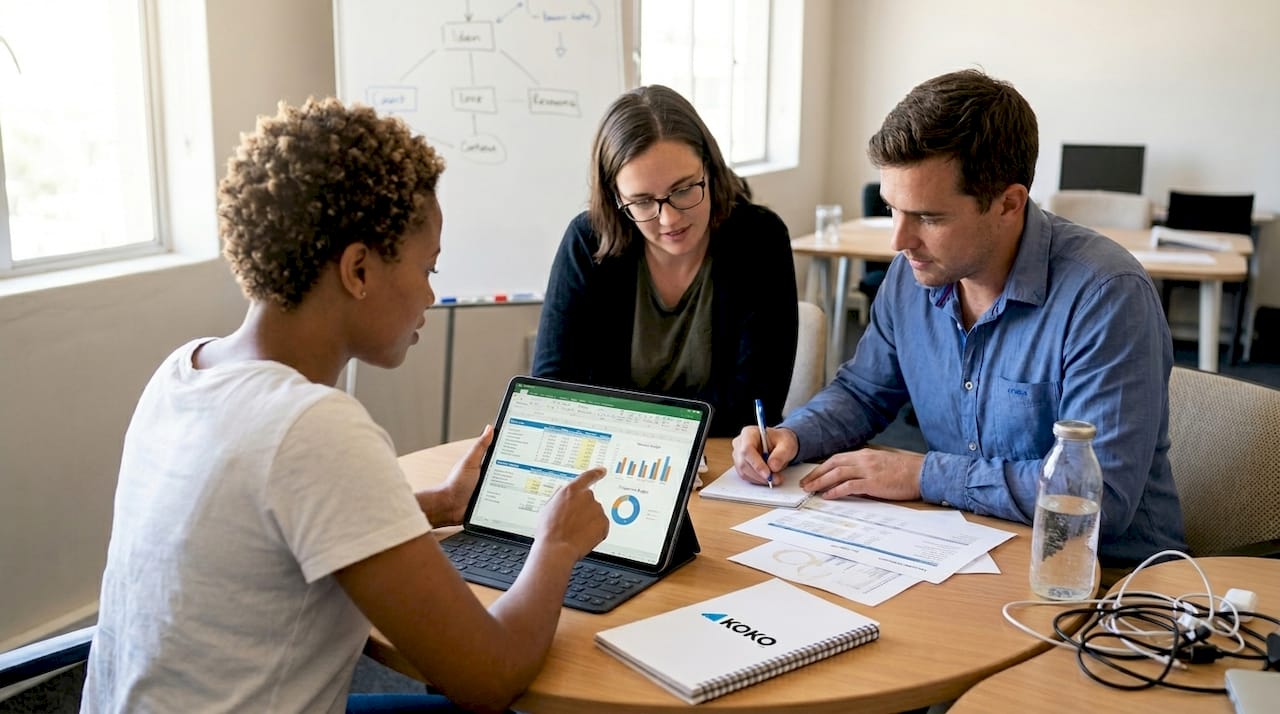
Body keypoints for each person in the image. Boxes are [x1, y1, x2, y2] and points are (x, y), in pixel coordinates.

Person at [82, 98, 610, 714]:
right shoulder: (313, 428)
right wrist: (556, 545)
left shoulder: (184, 372)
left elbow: (270, 527)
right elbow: (491, 675)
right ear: (358, 268)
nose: (431, 296)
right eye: (427, 267)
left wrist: (437, 504)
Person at [732, 70, 1187, 572]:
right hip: (965, 552)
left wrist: (926, 476)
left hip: (1107, 581)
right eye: (892, 210)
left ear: (1008, 204)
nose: (898, 241)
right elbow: (863, 394)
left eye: (928, 217)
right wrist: (794, 435)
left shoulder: (1107, 296)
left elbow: (1098, 499)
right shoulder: (914, 274)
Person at [531, 85, 798, 437]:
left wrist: (620, 414)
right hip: (608, 460)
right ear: (615, 198)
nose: (669, 219)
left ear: (711, 170)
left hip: (724, 461)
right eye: (642, 202)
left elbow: (753, 404)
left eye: (684, 189)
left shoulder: (758, 239)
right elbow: (553, 392)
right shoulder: (588, 242)